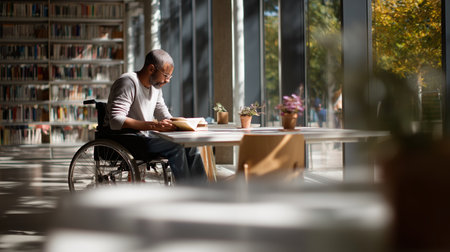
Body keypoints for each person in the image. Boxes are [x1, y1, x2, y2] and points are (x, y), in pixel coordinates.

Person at [102, 49, 206, 182]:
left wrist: (182, 124)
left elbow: (163, 113)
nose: (167, 80)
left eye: (169, 77)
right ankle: (186, 193)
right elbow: (116, 120)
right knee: (176, 148)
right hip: (126, 138)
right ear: (151, 69)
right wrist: (153, 125)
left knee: (190, 145)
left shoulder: (155, 88)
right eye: (166, 75)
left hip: (144, 136)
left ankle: (202, 190)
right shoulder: (128, 82)